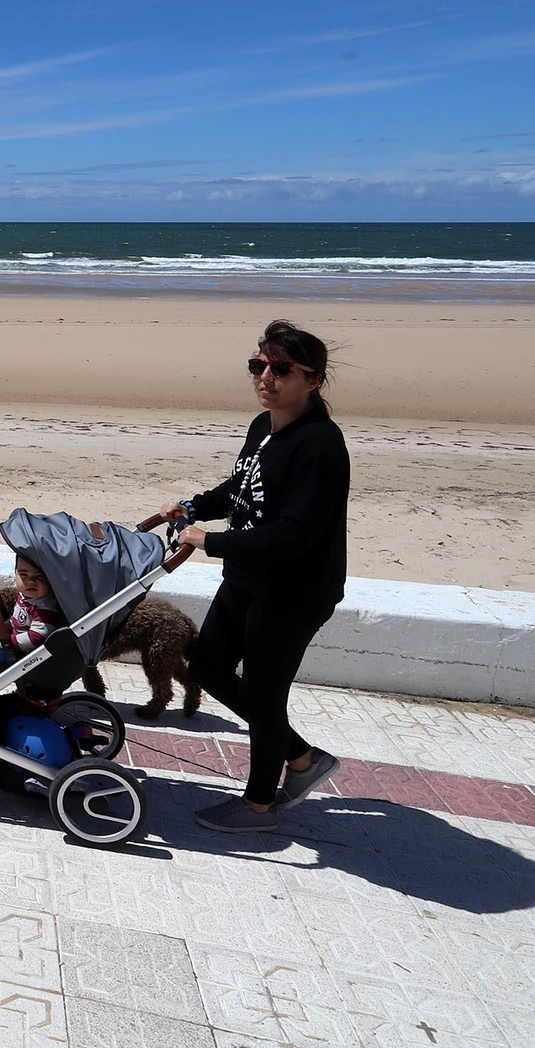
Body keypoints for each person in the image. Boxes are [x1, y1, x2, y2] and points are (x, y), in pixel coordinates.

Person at [162, 319, 349, 833]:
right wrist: (195, 506)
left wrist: (209, 541)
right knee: (206, 665)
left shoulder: (320, 447)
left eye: (280, 368)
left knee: (266, 696)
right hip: (249, 577)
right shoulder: (263, 425)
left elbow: (294, 535)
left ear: (312, 380)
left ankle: (260, 805)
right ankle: (303, 759)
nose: (265, 377)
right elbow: (241, 487)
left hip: (294, 590)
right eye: (258, 365)